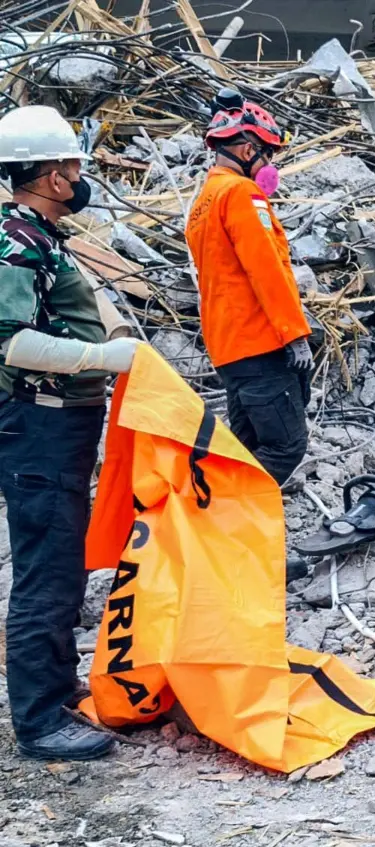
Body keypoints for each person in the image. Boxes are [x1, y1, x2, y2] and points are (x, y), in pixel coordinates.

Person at [0, 105, 142, 760]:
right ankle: (38, 722)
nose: (82, 175)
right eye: (73, 165)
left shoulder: (43, 233)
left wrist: (109, 333)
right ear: (51, 175)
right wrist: (98, 359)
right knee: (47, 570)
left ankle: (55, 693)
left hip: (61, 426)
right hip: (39, 427)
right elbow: (11, 340)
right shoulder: (15, 242)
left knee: (60, 563)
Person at [186, 91, 313, 489]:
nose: (269, 165)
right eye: (267, 154)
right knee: (284, 446)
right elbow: (267, 270)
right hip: (260, 345)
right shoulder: (241, 194)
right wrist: (295, 335)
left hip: (229, 348)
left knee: (245, 447)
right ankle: (225, 518)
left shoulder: (204, 200)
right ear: (245, 149)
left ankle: (223, 532)